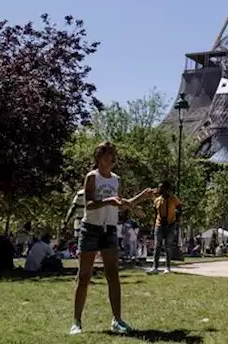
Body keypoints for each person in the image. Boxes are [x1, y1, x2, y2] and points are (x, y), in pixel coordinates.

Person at [70, 140, 154, 336]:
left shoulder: (116, 179)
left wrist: (140, 198)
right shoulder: (92, 177)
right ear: (98, 158)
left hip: (109, 231)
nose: (108, 161)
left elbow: (120, 204)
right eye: (105, 157)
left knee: (113, 276)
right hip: (90, 229)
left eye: (111, 157)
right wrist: (107, 200)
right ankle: (77, 322)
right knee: (84, 277)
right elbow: (89, 204)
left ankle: (117, 320)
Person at [148, 181, 182, 274]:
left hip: (170, 224)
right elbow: (155, 213)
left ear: (167, 189)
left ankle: (167, 267)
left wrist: (176, 219)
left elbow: (180, 208)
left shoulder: (173, 199)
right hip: (159, 225)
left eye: (162, 188)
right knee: (157, 245)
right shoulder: (157, 200)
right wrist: (153, 224)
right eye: (160, 188)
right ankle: (155, 267)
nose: (160, 189)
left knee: (168, 246)